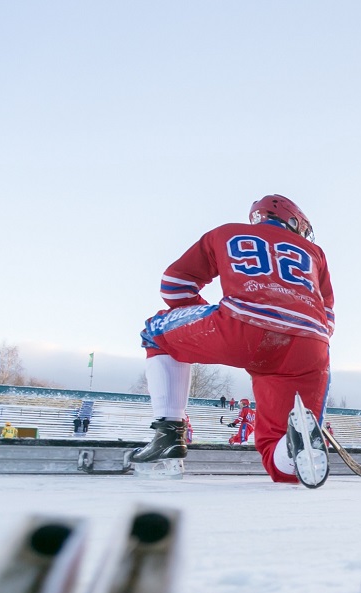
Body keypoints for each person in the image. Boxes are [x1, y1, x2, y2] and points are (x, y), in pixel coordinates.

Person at [132, 194, 334, 486]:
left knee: (156, 334)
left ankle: (169, 436)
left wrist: (206, 315)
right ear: (294, 221)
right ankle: (291, 448)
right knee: (281, 466)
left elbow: (174, 286)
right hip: (310, 343)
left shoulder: (226, 233)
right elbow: (328, 318)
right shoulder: (315, 253)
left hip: (242, 324)